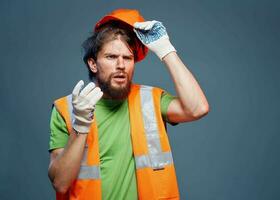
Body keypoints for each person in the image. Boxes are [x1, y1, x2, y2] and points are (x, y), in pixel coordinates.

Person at [48, 8, 209, 200]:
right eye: (111, 57)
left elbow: (197, 108)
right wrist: (81, 125)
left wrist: (166, 50)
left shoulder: (150, 100)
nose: (121, 65)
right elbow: (60, 183)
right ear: (93, 64)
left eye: (127, 58)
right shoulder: (66, 109)